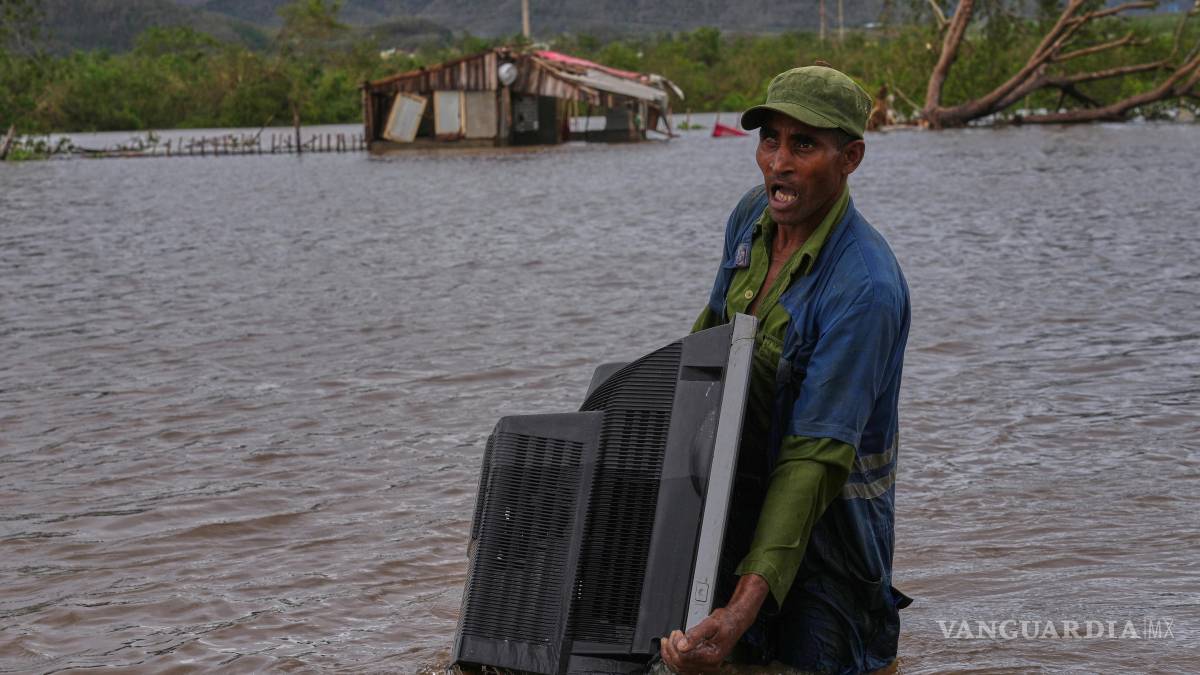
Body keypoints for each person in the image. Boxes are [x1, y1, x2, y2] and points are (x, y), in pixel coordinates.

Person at [660, 66, 911, 674]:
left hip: (832, 533)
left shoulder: (864, 289)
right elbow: (707, 350)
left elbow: (813, 460)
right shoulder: (751, 217)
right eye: (771, 139)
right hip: (737, 501)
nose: (779, 163)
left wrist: (742, 607)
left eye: (804, 145)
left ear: (850, 157)